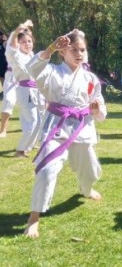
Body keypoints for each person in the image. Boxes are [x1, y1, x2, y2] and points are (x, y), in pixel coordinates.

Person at [23, 30, 107, 238]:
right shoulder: (51, 71)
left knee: (90, 170)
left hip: (82, 126)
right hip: (57, 126)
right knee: (47, 170)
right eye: (74, 50)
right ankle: (34, 218)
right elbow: (32, 68)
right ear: (63, 52)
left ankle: (86, 189)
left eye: (82, 50)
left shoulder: (90, 78)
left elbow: (100, 108)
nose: (79, 53)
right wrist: (50, 48)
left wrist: (96, 108)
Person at [6, 20, 45, 157]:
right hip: (24, 90)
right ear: (18, 44)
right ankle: (20, 150)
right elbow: (11, 47)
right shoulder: (16, 56)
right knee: (33, 121)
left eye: (29, 41)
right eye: (23, 42)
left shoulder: (30, 55)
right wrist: (17, 32)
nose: (27, 44)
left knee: (39, 120)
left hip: (35, 90)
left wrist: (27, 29)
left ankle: (29, 145)